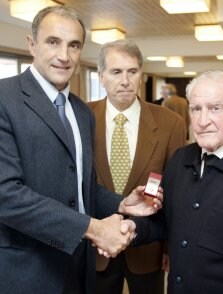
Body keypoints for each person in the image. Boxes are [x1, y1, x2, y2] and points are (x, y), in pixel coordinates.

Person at [0, 6, 163, 294]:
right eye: (53, 42)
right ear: (32, 44)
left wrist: (120, 204)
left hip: (79, 267)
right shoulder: (5, 99)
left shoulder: (80, 111)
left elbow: (81, 185)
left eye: (74, 45)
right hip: (26, 270)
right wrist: (94, 229)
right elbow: (6, 195)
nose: (64, 55)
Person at [135, 70, 223, 294]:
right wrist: (130, 228)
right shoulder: (180, 159)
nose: (202, 121)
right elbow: (165, 221)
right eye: (196, 109)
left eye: (214, 108)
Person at [87, 39, 185, 294]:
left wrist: (169, 248)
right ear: (101, 76)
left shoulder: (170, 123)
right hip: (94, 246)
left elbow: (176, 191)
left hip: (148, 248)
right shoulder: (81, 117)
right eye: (116, 72)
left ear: (141, 74)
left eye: (132, 71)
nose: (125, 80)